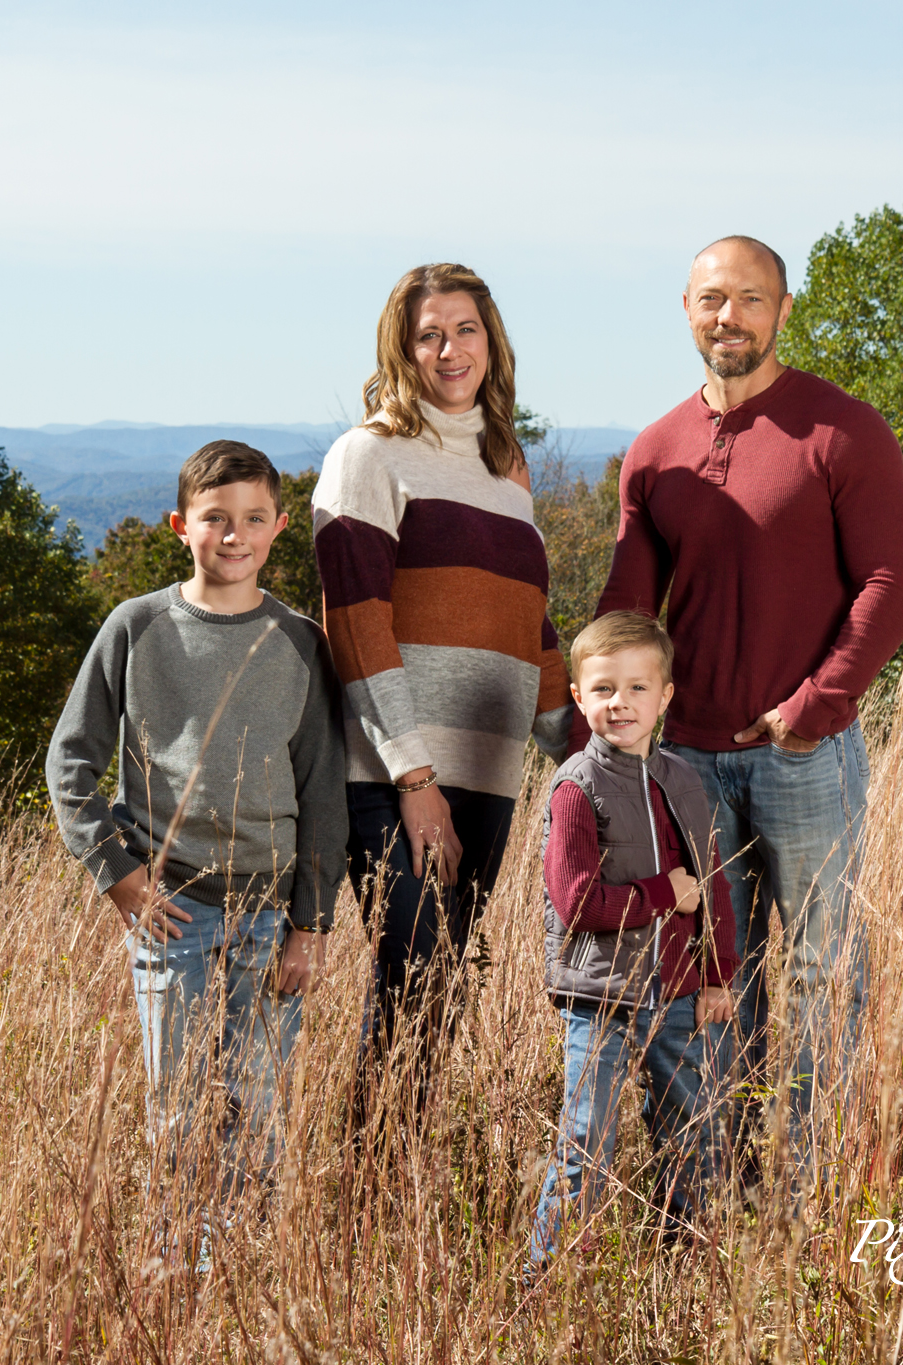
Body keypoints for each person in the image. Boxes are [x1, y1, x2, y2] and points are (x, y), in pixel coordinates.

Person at [587, 235, 903, 1195]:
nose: (726, 317)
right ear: (685, 309)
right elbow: (628, 609)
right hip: (687, 767)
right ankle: (709, 1193)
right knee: (709, 987)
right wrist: (599, 739)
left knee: (820, 974)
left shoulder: (842, 430)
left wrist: (814, 706)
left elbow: (891, 581)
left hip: (802, 756)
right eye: (709, 299)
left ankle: (812, 1194)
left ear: (782, 310)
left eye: (747, 299)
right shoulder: (654, 451)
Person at [46, 440, 347, 1267]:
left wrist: (312, 925)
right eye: (216, 519)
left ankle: (242, 1264)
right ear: (183, 526)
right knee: (176, 1103)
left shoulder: (300, 642)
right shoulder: (137, 628)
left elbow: (324, 794)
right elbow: (69, 761)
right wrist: (120, 877)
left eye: (254, 519)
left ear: (280, 528)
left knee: (254, 1102)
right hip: (170, 909)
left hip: (268, 913)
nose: (234, 534)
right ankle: (174, 1259)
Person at [312, 262, 572, 1126]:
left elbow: (526, 628)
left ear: (491, 342)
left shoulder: (507, 469)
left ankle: (396, 1187)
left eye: (465, 330)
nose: (449, 349)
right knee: (414, 973)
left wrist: (588, 752)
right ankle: (370, 1196)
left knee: (439, 985)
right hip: (397, 779)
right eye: (429, 334)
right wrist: (413, 779)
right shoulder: (369, 455)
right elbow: (356, 623)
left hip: (489, 776)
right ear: (403, 347)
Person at [527, 611, 738, 1273]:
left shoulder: (682, 780)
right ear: (579, 695)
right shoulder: (575, 787)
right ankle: (545, 1282)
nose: (620, 702)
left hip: (678, 994)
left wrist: (717, 973)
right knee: (586, 1142)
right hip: (601, 998)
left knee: (691, 1133)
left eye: (638, 687)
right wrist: (657, 893)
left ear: (666, 694)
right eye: (603, 688)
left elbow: (711, 884)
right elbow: (579, 901)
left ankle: (681, 1276)